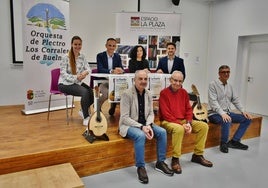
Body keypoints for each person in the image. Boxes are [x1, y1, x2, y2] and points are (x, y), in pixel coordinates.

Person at [119, 70, 174, 184]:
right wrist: (141, 127)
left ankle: (160, 162)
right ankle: (140, 167)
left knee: (162, 132)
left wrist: (148, 125)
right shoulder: (126, 94)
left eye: (145, 79)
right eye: (140, 79)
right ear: (135, 80)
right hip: (130, 125)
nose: (143, 81)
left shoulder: (149, 94)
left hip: (146, 124)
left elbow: (151, 114)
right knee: (140, 136)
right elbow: (124, 118)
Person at [159, 71, 213, 174]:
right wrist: (182, 125)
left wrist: (188, 122)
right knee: (179, 129)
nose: (178, 83)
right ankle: (175, 159)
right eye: (175, 80)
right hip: (168, 121)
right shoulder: (164, 93)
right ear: (170, 80)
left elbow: (189, 110)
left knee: (204, 126)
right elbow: (166, 115)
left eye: (180, 81)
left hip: (183, 120)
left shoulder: (184, 92)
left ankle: (197, 155)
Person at [208, 65, 252, 153]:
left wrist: (243, 111)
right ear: (219, 74)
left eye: (228, 72)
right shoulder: (213, 84)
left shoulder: (230, 86)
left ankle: (234, 141)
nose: (226, 74)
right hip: (214, 114)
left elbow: (235, 99)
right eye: (224, 72)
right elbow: (213, 102)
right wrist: (222, 113)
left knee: (247, 119)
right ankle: (224, 143)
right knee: (227, 120)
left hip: (227, 113)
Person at [58, 36, 94, 126]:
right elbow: (63, 74)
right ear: (71, 44)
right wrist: (76, 77)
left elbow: (88, 68)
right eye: (75, 44)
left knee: (90, 91)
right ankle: (86, 117)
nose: (77, 46)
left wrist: (84, 73)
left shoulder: (82, 57)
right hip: (64, 83)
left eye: (79, 44)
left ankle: (82, 110)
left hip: (76, 82)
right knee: (85, 92)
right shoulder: (65, 57)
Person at [96, 38, 124, 115]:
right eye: (110, 45)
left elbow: (122, 68)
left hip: (114, 82)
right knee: (106, 94)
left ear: (116, 47)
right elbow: (100, 69)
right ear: (106, 46)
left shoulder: (117, 56)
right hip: (103, 81)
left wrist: (121, 70)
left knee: (120, 92)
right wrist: (112, 71)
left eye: (113, 46)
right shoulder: (100, 56)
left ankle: (113, 106)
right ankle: (97, 106)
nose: (111, 47)